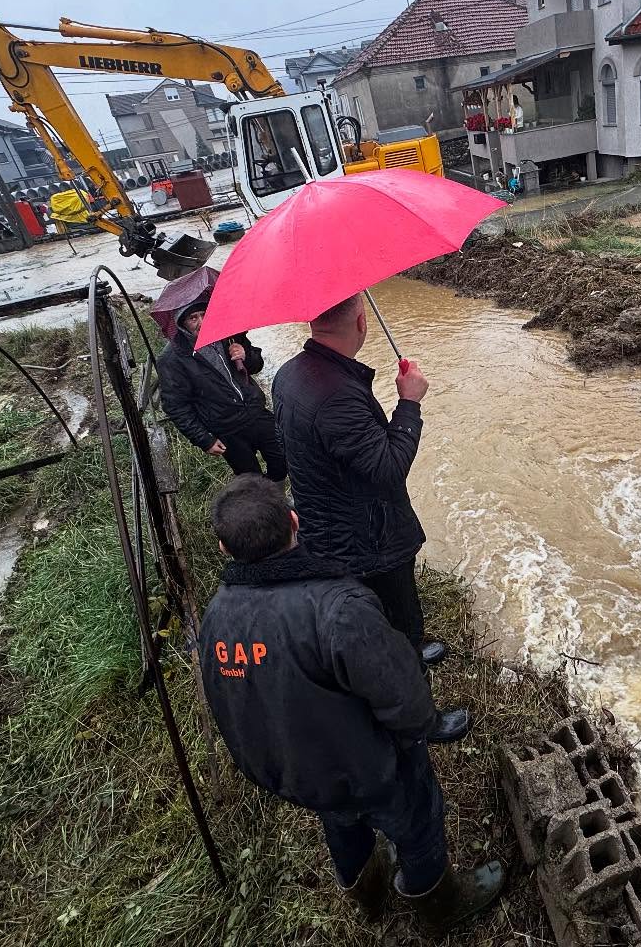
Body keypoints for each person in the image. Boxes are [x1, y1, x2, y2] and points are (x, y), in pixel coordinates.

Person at [199, 475, 500, 934]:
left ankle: (368, 897)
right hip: (370, 768)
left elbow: (229, 701)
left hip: (300, 773)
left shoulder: (216, 615)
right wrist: (417, 733)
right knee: (417, 825)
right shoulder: (338, 608)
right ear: (295, 523)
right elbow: (403, 695)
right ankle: (439, 907)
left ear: (224, 549)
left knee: (340, 823)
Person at [271, 293, 446, 667]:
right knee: (398, 616)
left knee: (370, 613)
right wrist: (410, 403)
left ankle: (401, 651)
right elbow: (388, 470)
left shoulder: (290, 373)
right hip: (366, 540)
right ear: (362, 322)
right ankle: (418, 709)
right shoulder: (336, 394)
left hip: (328, 522)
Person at [157, 299, 287, 479]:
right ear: (182, 323)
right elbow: (176, 406)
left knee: (283, 459)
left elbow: (257, 366)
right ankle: (265, 503)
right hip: (227, 428)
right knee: (251, 479)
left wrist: (245, 355)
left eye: (204, 314)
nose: (201, 322)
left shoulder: (229, 334)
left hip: (256, 412)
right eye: (193, 318)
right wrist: (204, 439)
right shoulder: (173, 359)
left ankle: (276, 499)